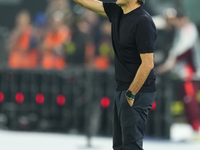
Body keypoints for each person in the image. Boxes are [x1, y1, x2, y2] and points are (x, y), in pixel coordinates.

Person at [73, 0, 157, 149]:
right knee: (119, 146)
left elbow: (148, 64)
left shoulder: (143, 21)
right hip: (122, 89)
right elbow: (87, 2)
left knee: (131, 146)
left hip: (137, 91)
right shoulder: (117, 11)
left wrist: (131, 94)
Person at [157, 10, 200, 140]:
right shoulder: (180, 30)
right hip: (183, 74)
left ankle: (197, 129)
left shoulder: (188, 29)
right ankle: (194, 129)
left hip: (190, 74)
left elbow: (181, 50)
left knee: (191, 102)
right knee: (186, 103)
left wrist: (168, 64)